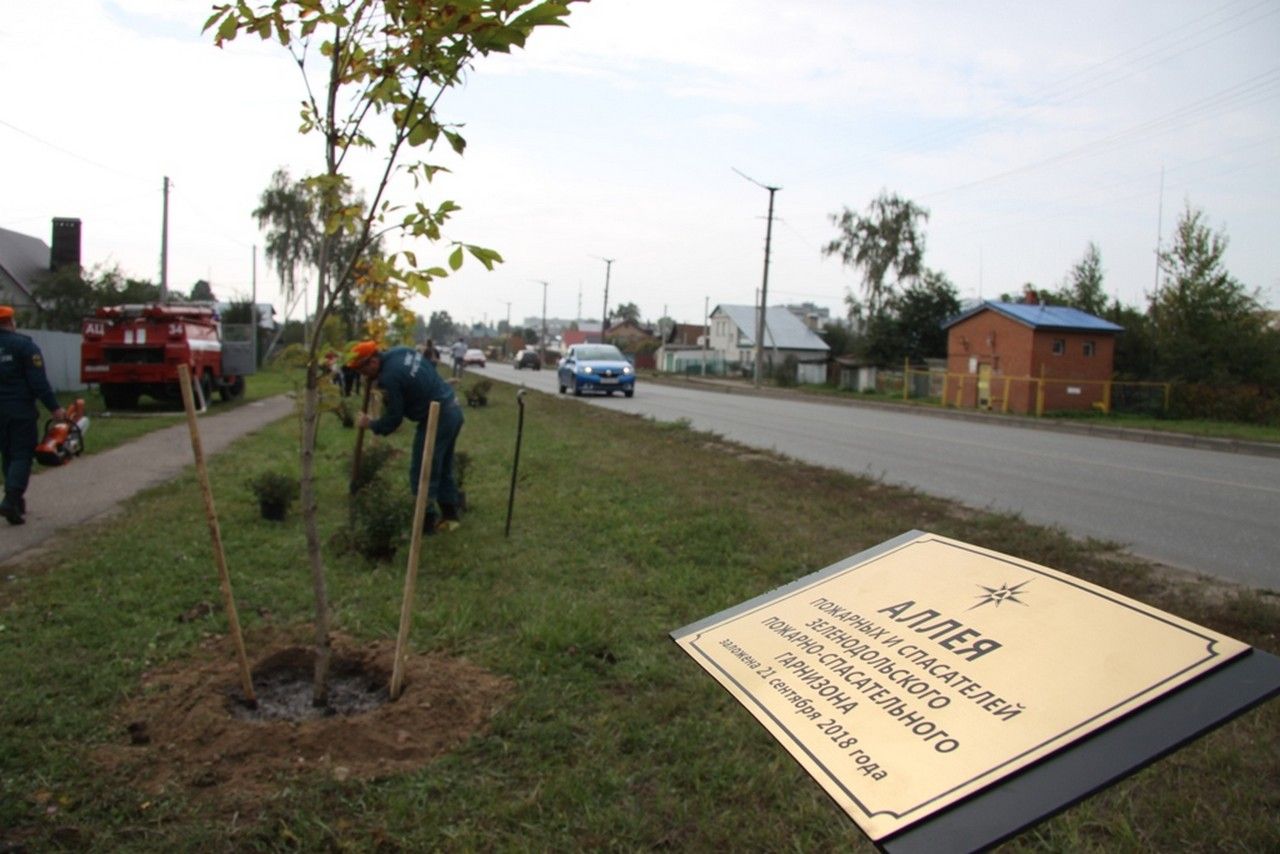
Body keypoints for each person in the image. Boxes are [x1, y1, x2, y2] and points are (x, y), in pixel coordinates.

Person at [348, 341, 464, 532]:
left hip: (438, 418)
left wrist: (370, 424)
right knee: (442, 466)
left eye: (362, 371)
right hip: (452, 408)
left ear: (373, 362)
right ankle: (450, 516)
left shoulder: (390, 377)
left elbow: (394, 419)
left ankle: (425, 523)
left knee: (422, 471)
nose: (362, 376)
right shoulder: (401, 351)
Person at [0, 306, 66, 525]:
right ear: (10, 322)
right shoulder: (24, 346)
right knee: (21, 454)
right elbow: (38, 383)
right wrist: (55, 408)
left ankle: (16, 502)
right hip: (19, 411)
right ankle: (10, 501)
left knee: (8, 454)